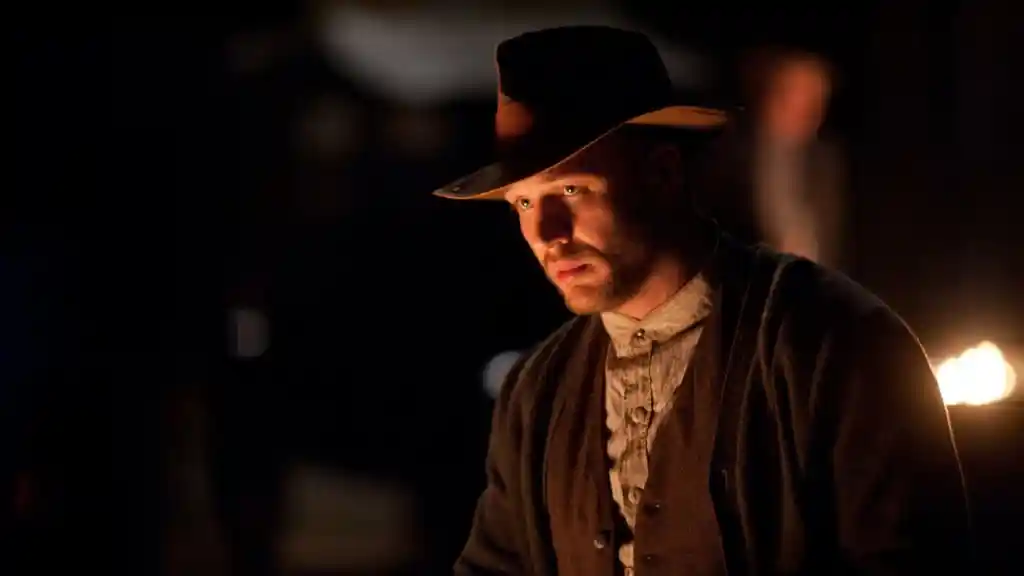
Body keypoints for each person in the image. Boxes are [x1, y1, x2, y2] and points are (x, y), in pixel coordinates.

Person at [434, 26, 972, 576]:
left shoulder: (828, 343)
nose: (547, 234)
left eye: (572, 190)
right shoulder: (538, 390)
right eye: (524, 203)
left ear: (662, 173)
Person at [704, 46, 847, 268]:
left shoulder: (824, 162)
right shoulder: (728, 151)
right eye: (797, 97)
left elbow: (830, 236)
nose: (808, 112)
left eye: (816, 102)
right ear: (770, 95)